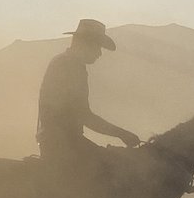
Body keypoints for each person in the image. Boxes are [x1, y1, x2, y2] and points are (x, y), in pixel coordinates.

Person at [36, 19, 140, 170]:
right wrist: (122, 134)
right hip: (63, 145)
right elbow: (84, 115)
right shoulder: (70, 67)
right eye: (97, 47)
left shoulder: (65, 63)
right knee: (113, 170)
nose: (99, 53)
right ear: (84, 44)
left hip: (60, 141)